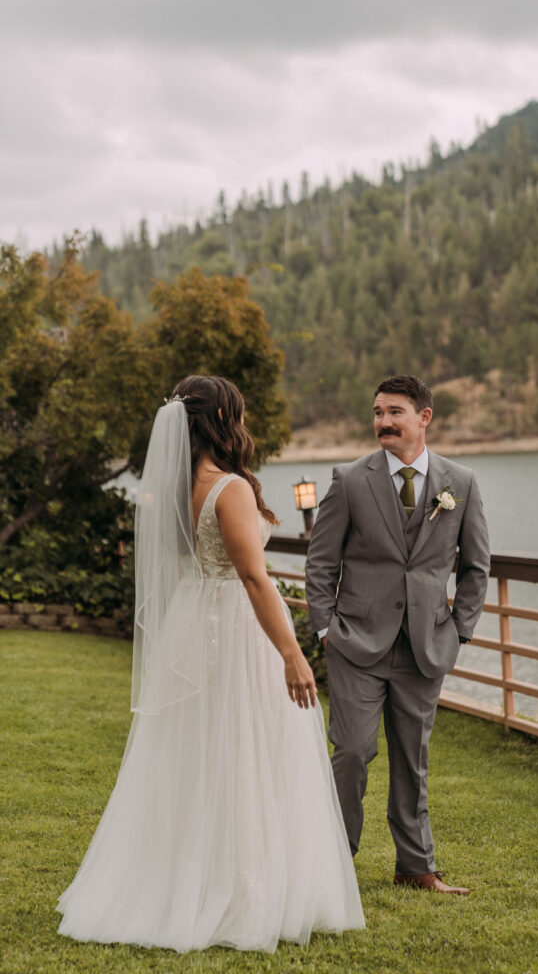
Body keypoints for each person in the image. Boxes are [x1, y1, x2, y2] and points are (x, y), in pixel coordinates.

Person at [57, 375, 364, 953]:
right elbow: (252, 577)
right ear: (223, 420)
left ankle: (182, 877)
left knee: (197, 751)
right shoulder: (230, 489)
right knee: (247, 745)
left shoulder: (176, 490)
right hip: (235, 627)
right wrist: (294, 654)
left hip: (194, 622)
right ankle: (238, 890)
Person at [305, 374, 489, 895]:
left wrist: (459, 632)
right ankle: (334, 863)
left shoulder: (461, 483)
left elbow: (476, 568)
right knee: (353, 751)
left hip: (425, 646)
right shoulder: (349, 479)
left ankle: (416, 868)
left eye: (395, 412)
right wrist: (325, 628)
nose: (384, 422)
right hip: (355, 643)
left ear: (423, 417)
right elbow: (321, 563)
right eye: (378, 412)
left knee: (414, 758)